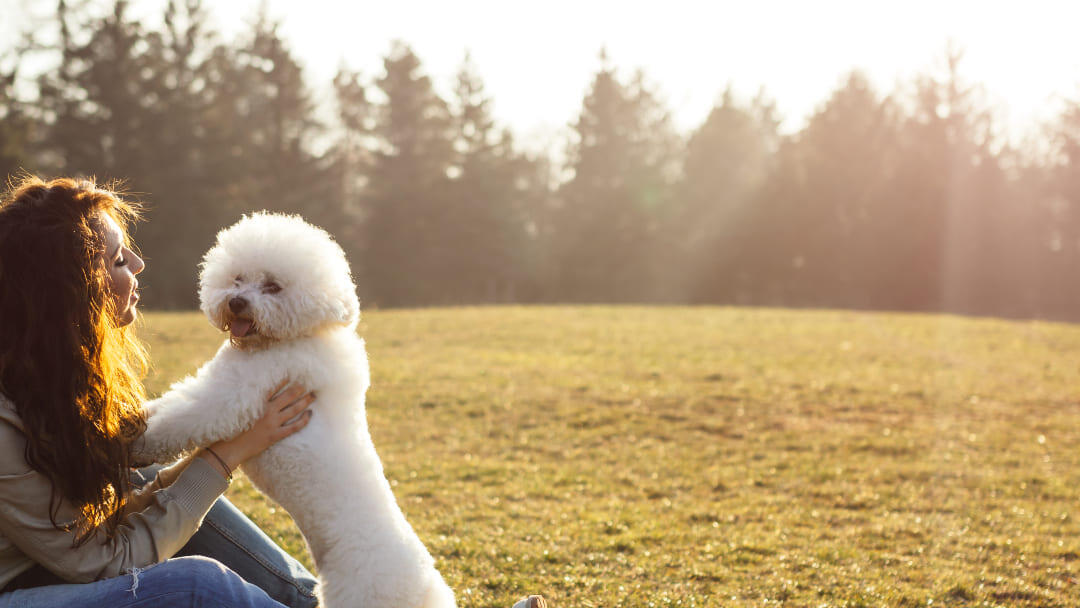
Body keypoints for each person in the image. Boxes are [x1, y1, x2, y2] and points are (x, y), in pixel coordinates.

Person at [0, 176, 548, 608]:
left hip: (54, 555)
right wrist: (225, 453)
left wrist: (198, 460)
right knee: (200, 583)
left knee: (176, 488)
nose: (139, 266)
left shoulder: (51, 367)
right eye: (118, 260)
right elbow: (98, 552)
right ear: (67, 290)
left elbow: (139, 444)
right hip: (24, 586)